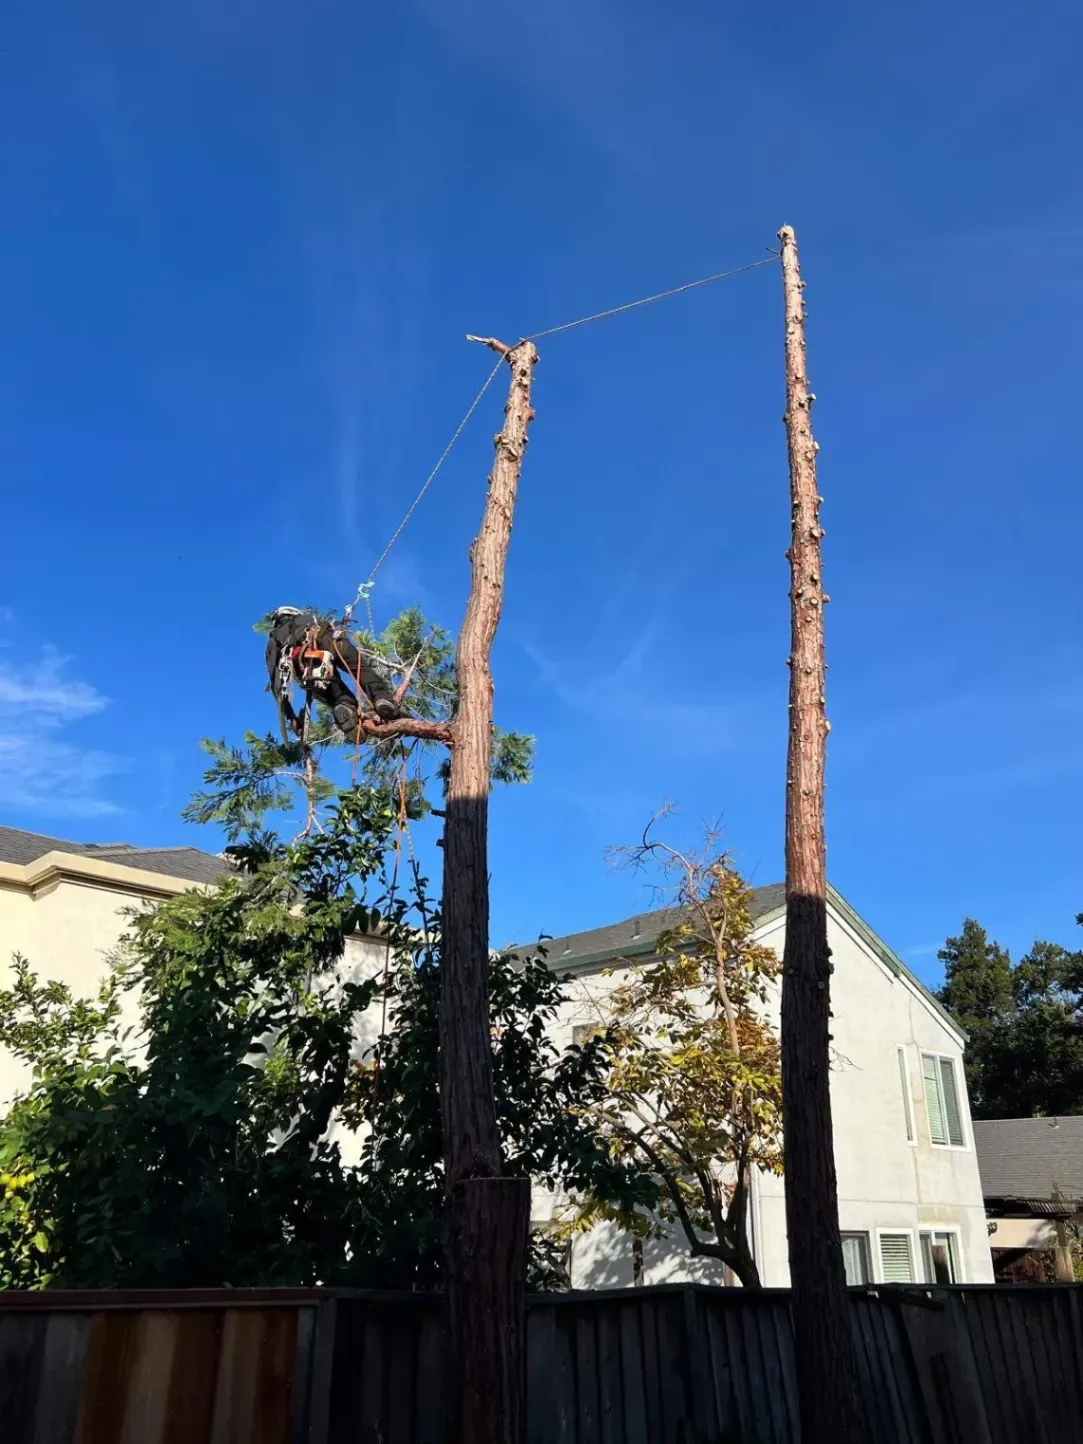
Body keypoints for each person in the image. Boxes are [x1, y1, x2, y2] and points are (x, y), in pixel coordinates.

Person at [265, 607, 407, 737]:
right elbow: (328, 625)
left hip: (303, 665)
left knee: (333, 692)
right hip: (330, 641)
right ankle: (382, 698)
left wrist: (291, 717)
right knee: (359, 668)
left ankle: (345, 707)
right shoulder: (307, 619)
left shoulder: (274, 642)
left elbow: (276, 685)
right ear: (292, 613)